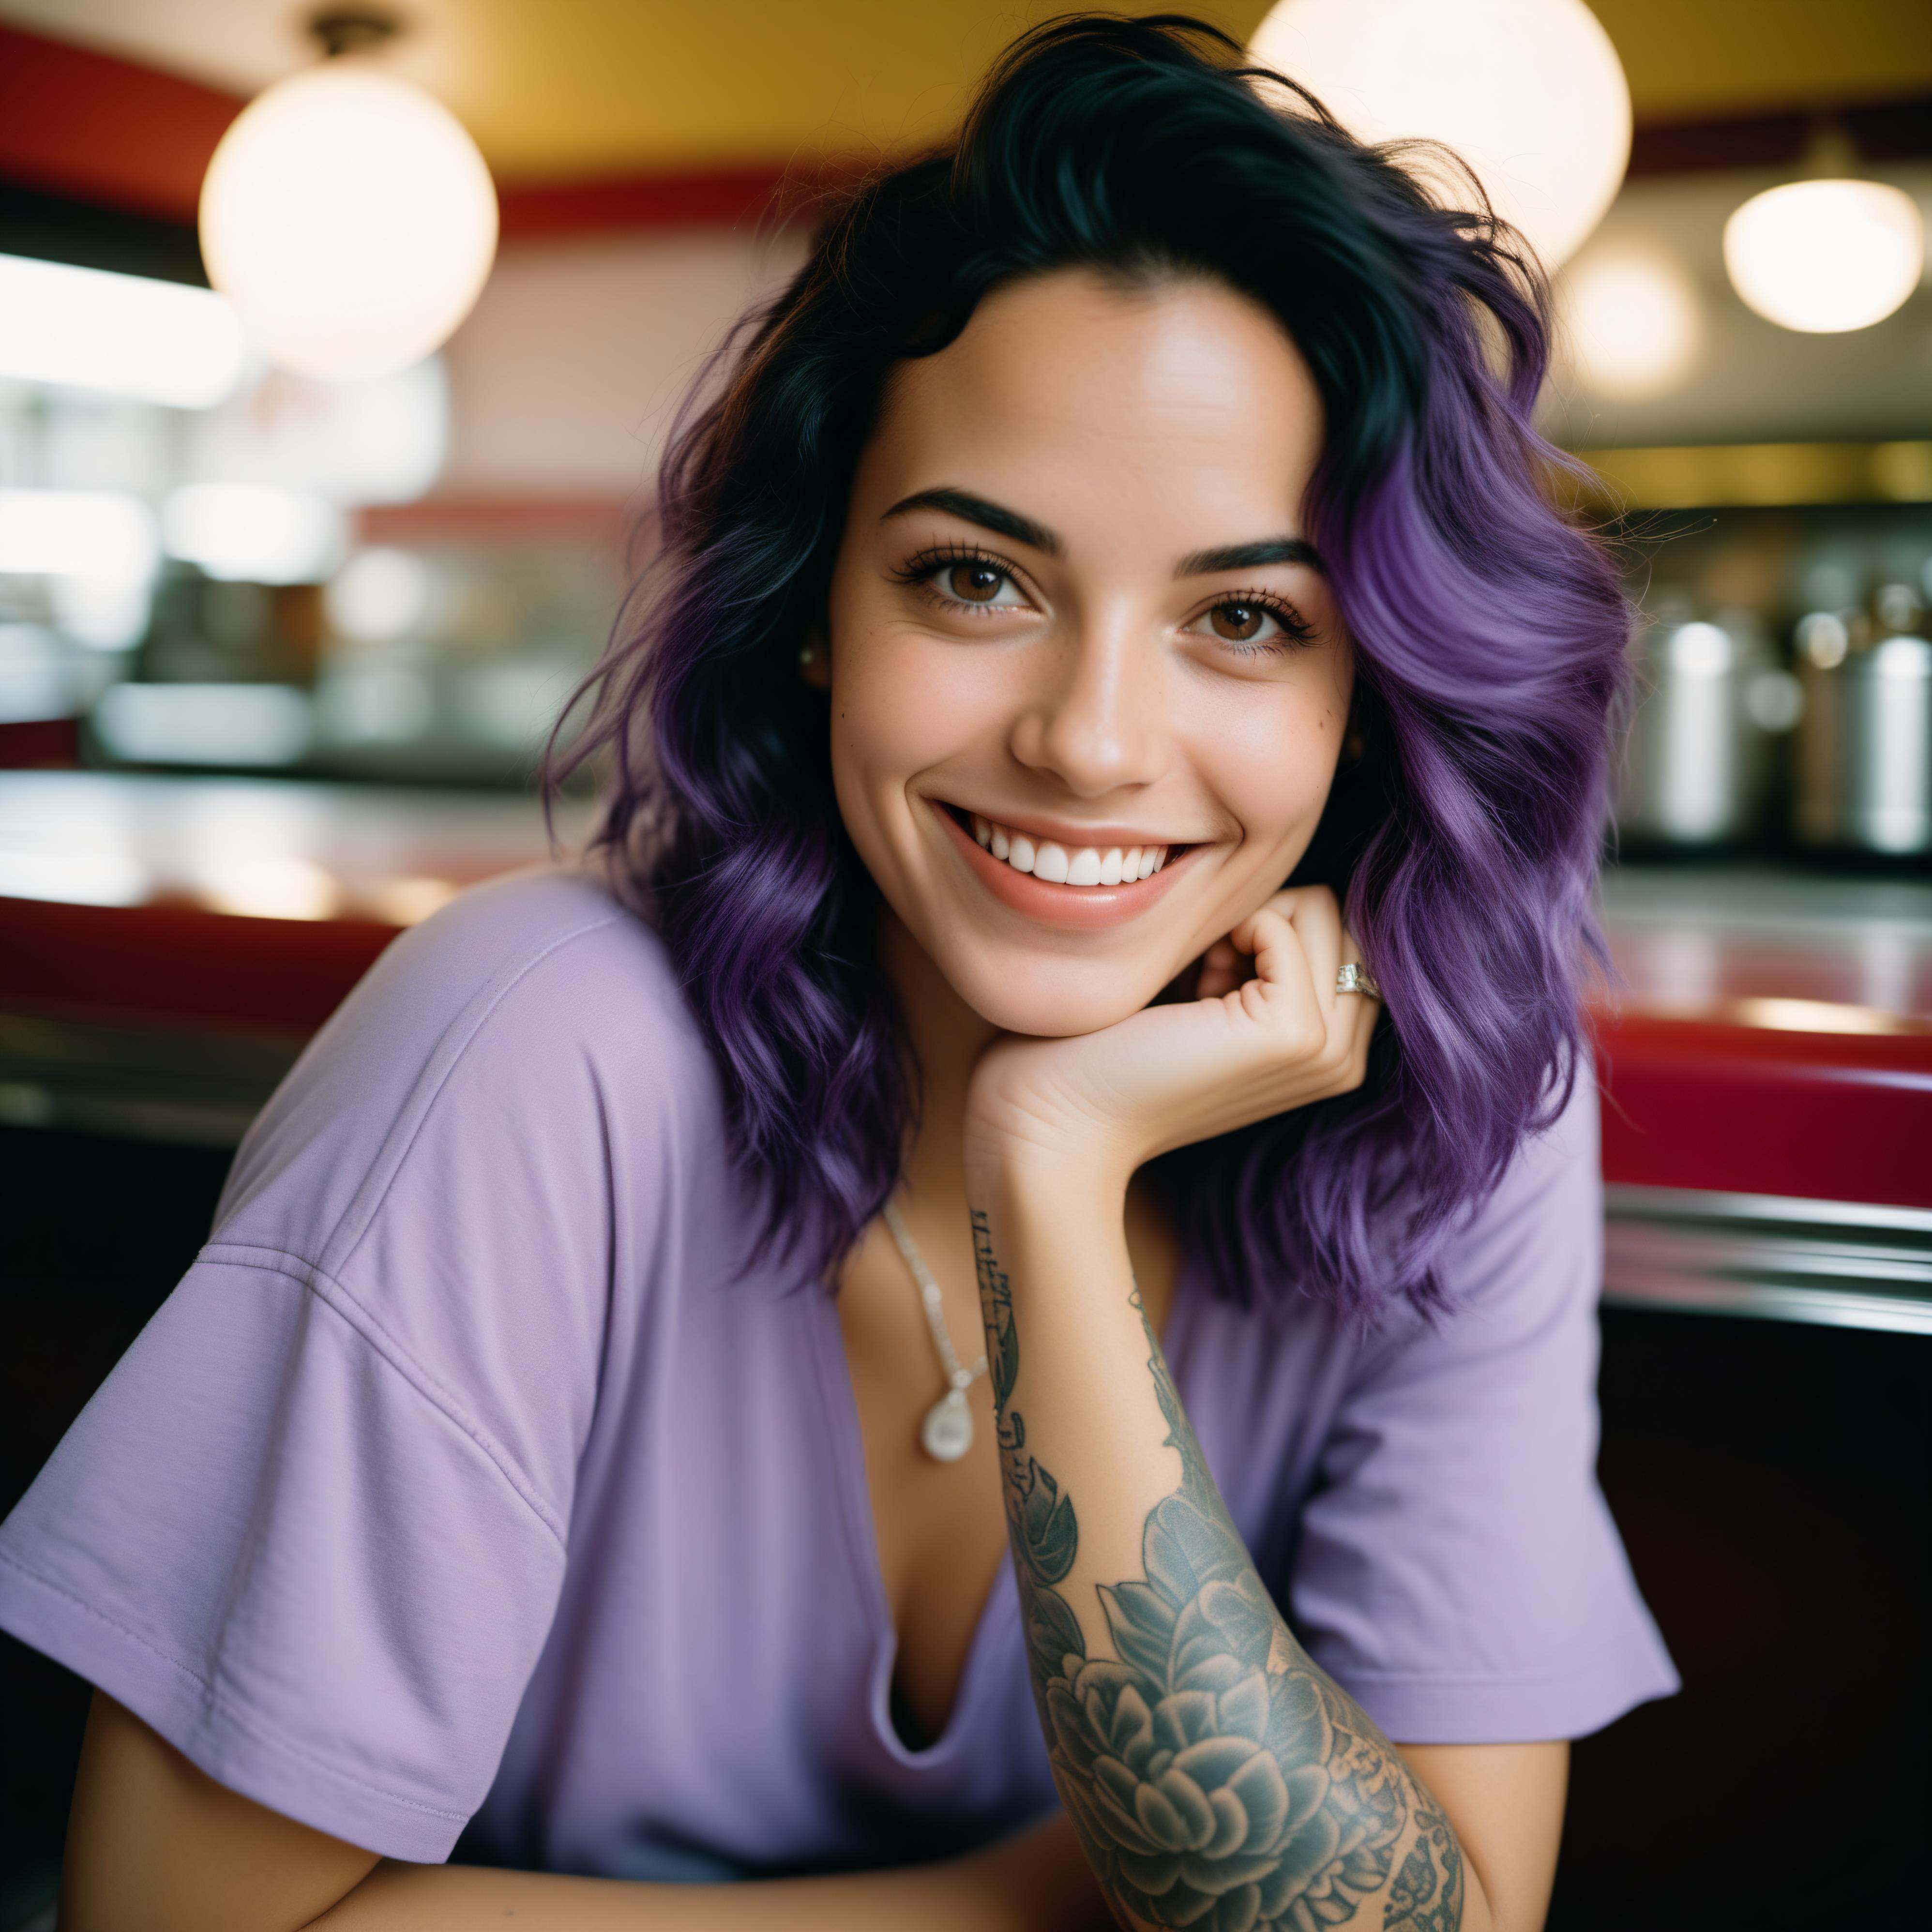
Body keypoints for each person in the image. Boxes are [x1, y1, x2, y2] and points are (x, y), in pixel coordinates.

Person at [1, 17, 1675, 1932]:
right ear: (813, 608)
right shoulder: (536, 1047)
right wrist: (1046, 1900)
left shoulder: (1456, 1108)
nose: (1091, 740)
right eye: (978, 576)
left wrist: (1046, 1172)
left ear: (1366, 691)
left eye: (1240, 615)